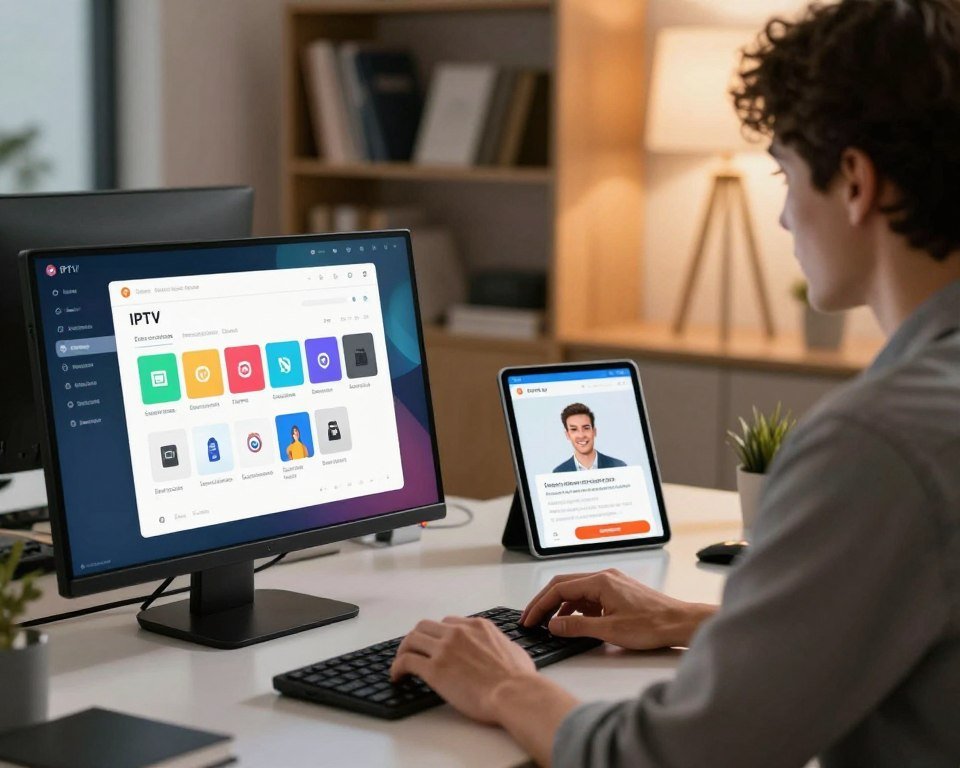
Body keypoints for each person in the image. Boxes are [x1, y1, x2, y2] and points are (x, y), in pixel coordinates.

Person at [390, 1, 960, 765]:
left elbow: (671, 757)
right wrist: (699, 621)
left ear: (855, 181)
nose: (787, 217)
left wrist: (504, 685)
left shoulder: (878, 445)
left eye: (786, 174)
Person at [552, 403, 627, 472]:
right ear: (567, 435)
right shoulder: (558, 473)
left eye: (586, 428)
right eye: (574, 429)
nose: (581, 435)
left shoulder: (619, 467)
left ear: (594, 431)